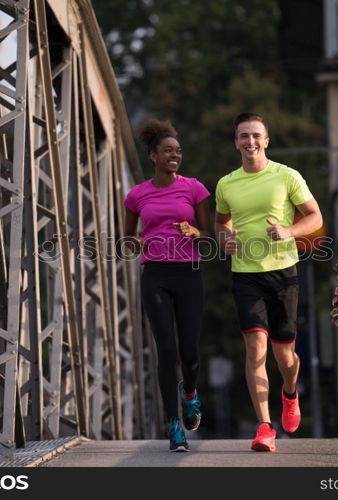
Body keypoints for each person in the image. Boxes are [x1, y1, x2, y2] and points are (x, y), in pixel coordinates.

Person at [214, 113, 323, 452]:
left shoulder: (286, 176)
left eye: (256, 136)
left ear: (266, 140)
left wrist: (290, 231)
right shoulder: (226, 184)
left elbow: (316, 216)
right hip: (245, 274)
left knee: (284, 356)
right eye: (243, 136)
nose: (250, 142)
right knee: (255, 348)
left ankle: (290, 393)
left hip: (283, 273)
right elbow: (221, 223)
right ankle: (265, 426)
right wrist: (224, 240)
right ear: (236, 142)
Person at [123, 119, 210, 452]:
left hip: (188, 273)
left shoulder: (194, 189)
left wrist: (195, 234)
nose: (175, 156)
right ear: (153, 156)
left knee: (189, 354)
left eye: (178, 151)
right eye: (168, 151)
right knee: (167, 351)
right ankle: (175, 427)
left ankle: (190, 393)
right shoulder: (137, 195)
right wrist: (135, 243)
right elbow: (126, 239)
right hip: (155, 276)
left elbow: (209, 236)